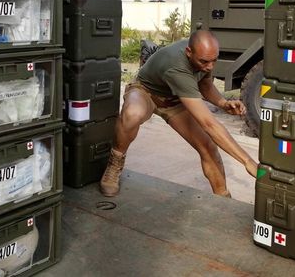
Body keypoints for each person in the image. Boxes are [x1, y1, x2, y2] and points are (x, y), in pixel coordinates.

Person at [100, 30, 258, 197]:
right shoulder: (176, 66)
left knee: (208, 147)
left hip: (174, 98)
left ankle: (222, 198)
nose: (210, 66)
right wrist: (247, 161)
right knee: (132, 114)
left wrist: (223, 103)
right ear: (189, 52)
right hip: (147, 92)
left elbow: (205, 84)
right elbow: (209, 124)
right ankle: (115, 162)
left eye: (214, 60)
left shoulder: (204, 55)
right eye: (205, 62)